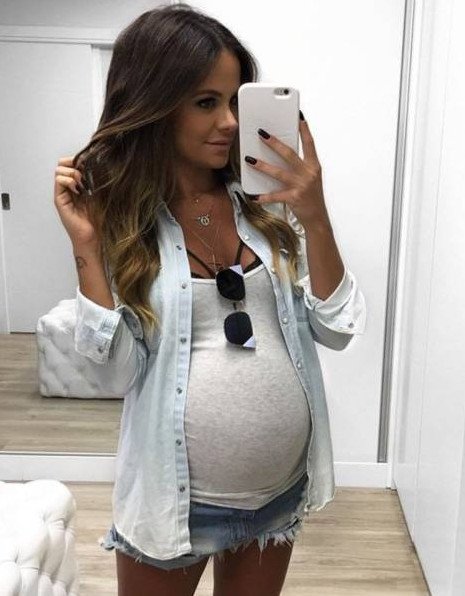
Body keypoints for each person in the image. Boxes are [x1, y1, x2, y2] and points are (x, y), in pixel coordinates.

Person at [53, 4, 366, 595]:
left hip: (278, 493)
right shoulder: (120, 218)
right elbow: (116, 371)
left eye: (234, 101)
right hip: (176, 505)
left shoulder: (265, 206)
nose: (228, 122)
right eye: (205, 102)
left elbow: (337, 327)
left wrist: (316, 215)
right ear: (154, 104)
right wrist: (87, 247)